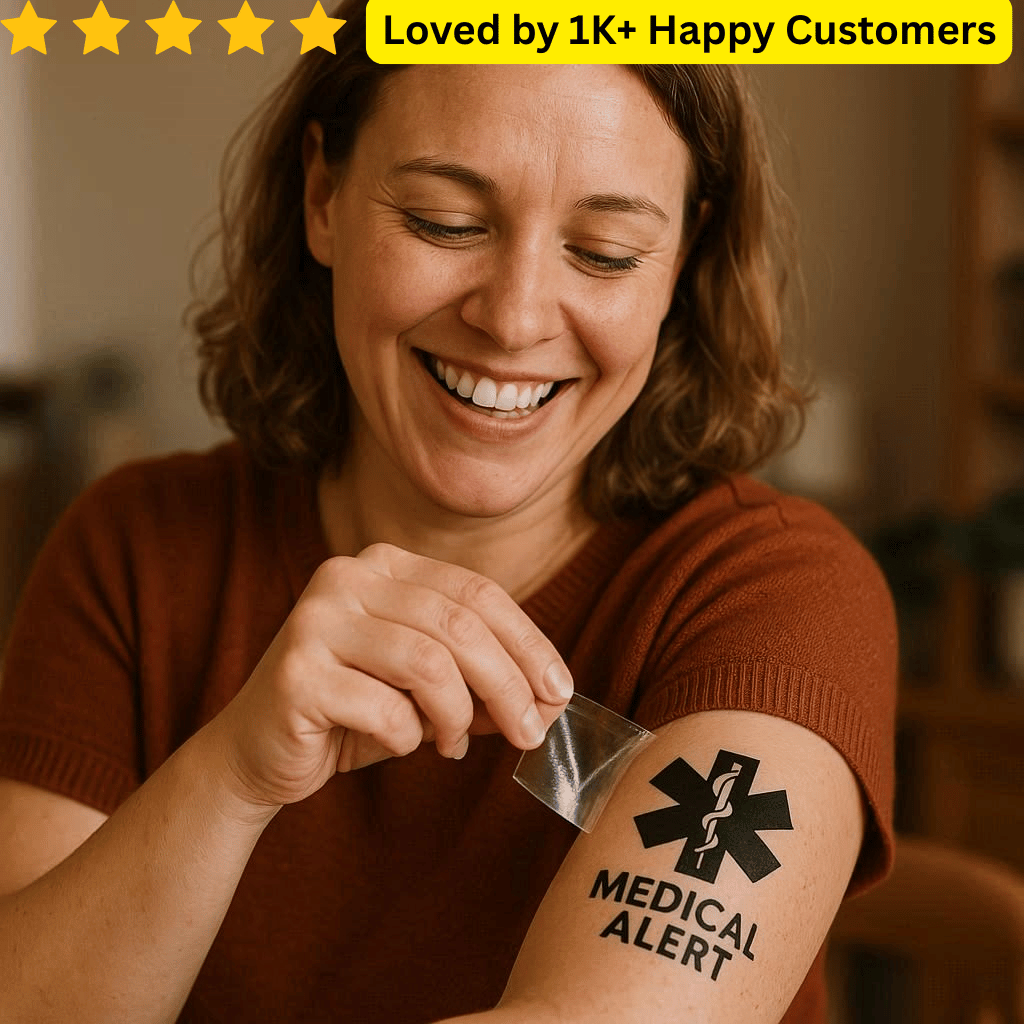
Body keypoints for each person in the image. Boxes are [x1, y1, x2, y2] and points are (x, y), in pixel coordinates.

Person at [0, 5, 898, 1022]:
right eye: (445, 222)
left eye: (605, 251)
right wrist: (231, 775)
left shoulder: (778, 597)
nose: (513, 318)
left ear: (683, 257)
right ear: (323, 194)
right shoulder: (135, 548)